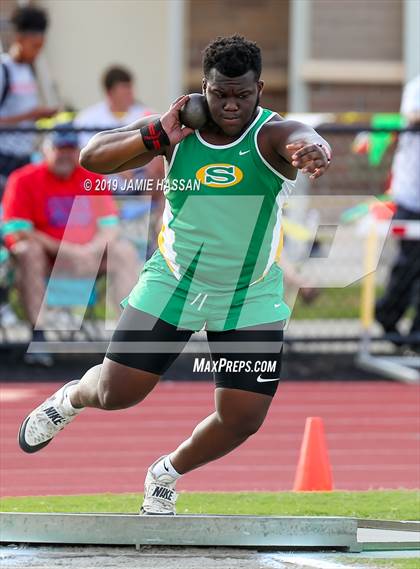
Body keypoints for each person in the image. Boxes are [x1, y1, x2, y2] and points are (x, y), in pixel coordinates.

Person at [18, 36, 331, 513]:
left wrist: (313, 150)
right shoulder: (176, 127)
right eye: (220, 93)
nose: (230, 105)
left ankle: (166, 473)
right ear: (204, 87)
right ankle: (69, 399)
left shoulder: (271, 134)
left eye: (242, 95)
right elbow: (92, 158)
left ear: (259, 90)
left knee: (243, 417)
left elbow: (305, 137)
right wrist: (156, 137)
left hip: (248, 294)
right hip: (175, 281)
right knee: (115, 392)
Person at [2, 124, 139, 365]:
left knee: (124, 251)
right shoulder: (23, 179)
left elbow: (110, 227)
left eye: (71, 148)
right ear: (46, 150)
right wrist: (66, 250)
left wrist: (89, 250)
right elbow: (18, 232)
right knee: (27, 250)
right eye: (59, 148)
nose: (65, 154)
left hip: (86, 259)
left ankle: (126, 338)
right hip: (45, 260)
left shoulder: (92, 178)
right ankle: (40, 335)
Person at [375, 75, 420, 350]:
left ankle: (417, 337)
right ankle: (388, 315)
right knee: (408, 265)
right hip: (411, 197)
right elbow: (413, 116)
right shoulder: (417, 87)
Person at [0, 5, 57, 196]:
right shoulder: (4, 70)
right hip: (4, 157)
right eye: (35, 46)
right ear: (19, 39)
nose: (37, 53)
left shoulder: (30, 71)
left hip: (25, 156)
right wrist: (33, 113)